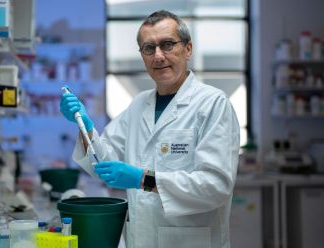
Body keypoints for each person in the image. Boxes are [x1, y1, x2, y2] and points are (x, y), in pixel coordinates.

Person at [60, 10, 240, 248]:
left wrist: (143, 179)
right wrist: (86, 127)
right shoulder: (139, 105)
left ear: (188, 49)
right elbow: (103, 165)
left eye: (167, 44)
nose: (158, 56)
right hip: (141, 239)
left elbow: (215, 186)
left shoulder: (212, 104)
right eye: (148, 48)